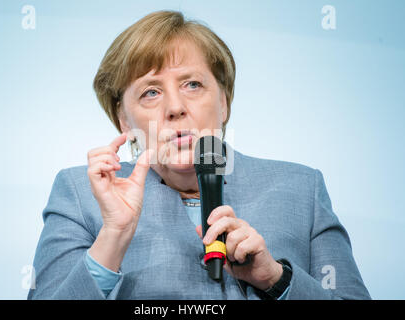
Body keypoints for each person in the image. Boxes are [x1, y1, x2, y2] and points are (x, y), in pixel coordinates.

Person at [27, 10, 371, 300]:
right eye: (150, 92)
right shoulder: (79, 192)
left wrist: (275, 279)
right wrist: (113, 237)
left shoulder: (301, 188)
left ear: (223, 100)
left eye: (192, 84)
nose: (175, 107)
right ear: (124, 120)